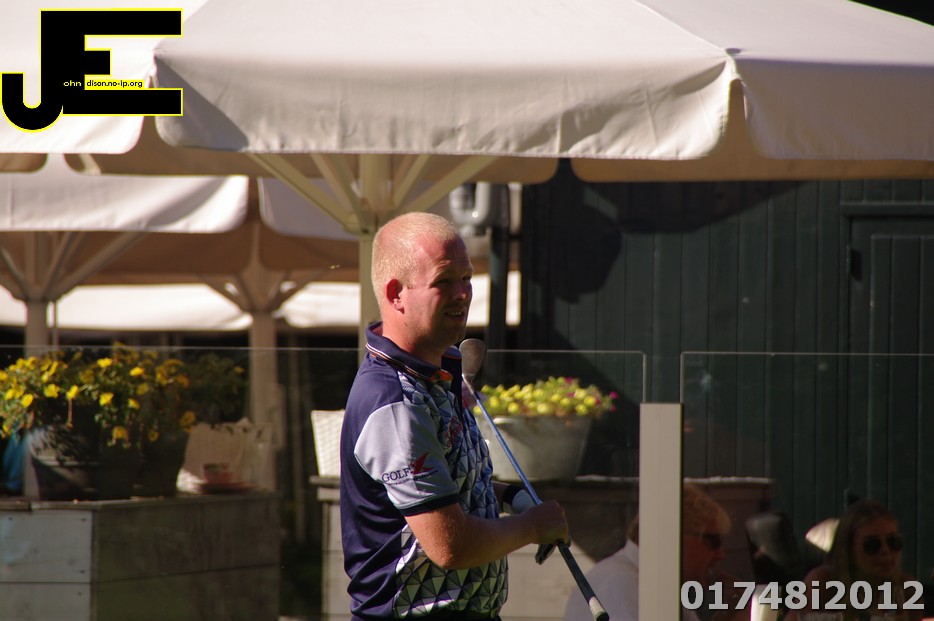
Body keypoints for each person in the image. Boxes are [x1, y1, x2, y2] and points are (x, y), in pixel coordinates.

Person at [340, 212, 569, 620]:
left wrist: (512, 498)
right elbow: (450, 545)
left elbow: (449, 485)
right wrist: (533, 527)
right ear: (396, 294)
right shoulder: (394, 402)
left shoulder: (437, 375)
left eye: (466, 278)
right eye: (444, 281)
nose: (463, 293)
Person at [562, 482, 740, 621]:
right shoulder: (621, 583)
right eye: (713, 541)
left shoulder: (655, 584)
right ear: (672, 537)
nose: (721, 554)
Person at [786, 499, 924, 621]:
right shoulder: (824, 583)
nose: (885, 550)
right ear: (848, 549)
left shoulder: (907, 588)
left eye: (893, 541)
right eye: (872, 545)